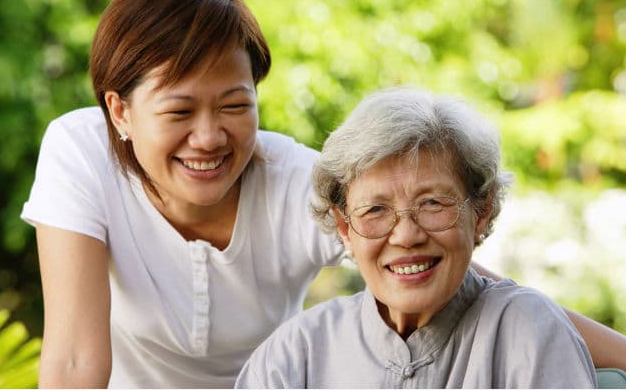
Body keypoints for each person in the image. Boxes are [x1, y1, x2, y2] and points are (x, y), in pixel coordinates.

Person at [20, 0, 626, 388]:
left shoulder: (295, 181)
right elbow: (77, 363)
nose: (211, 137)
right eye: (180, 111)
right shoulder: (82, 152)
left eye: (234, 105)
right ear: (121, 112)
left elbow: (457, 272)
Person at [235, 87, 598, 388]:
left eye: (432, 203)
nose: (406, 236)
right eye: (374, 210)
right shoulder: (295, 355)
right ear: (345, 228)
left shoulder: (526, 331)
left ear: (481, 211)